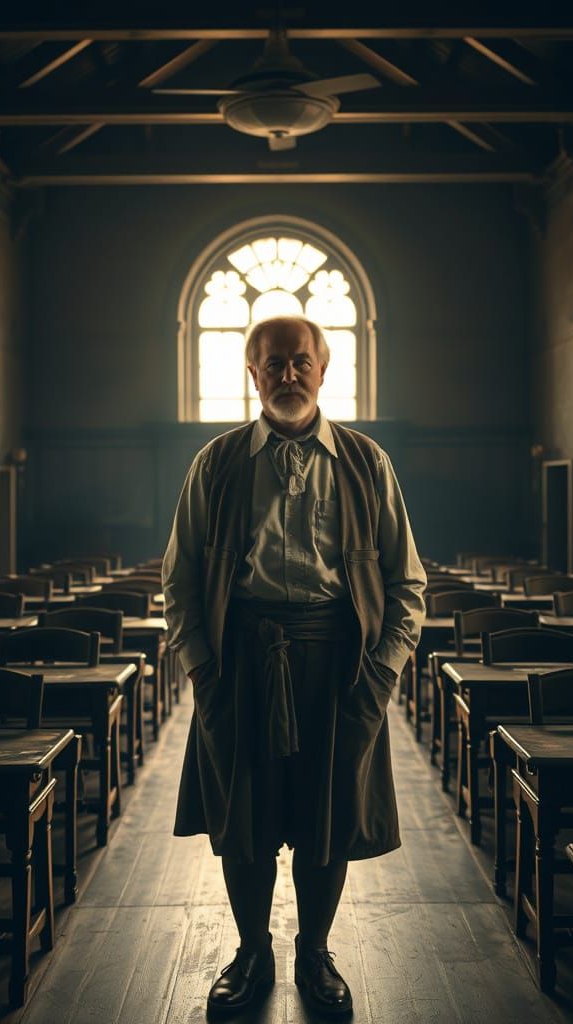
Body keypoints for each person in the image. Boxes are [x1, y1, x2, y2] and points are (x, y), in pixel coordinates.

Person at [162, 315, 426, 1017]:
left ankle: (314, 951)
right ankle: (252, 952)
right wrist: (203, 672)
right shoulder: (215, 464)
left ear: (323, 370)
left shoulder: (368, 464)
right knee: (242, 817)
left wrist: (380, 677)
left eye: (300, 363)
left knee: (327, 815)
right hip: (240, 661)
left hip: (340, 665)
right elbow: (181, 580)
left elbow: (408, 586)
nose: (287, 376)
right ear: (251, 375)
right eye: (272, 364)